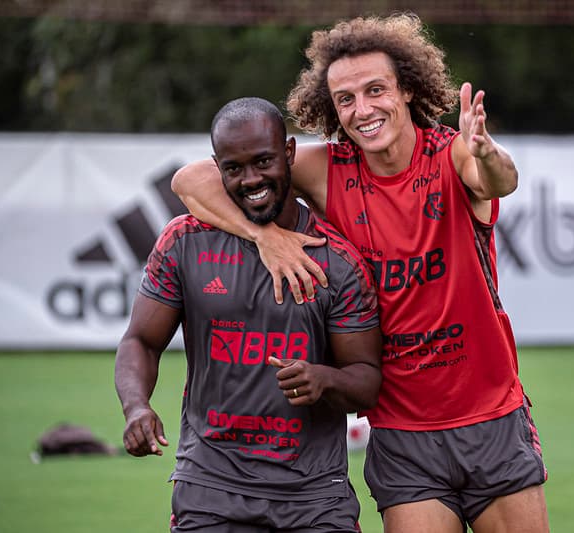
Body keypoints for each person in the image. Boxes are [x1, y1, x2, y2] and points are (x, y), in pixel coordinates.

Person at [171, 14, 549, 533]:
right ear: (331, 108)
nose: (362, 109)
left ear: (409, 89)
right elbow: (190, 179)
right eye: (345, 99)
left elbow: (497, 180)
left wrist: (487, 150)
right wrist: (265, 236)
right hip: (401, 434)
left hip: (492, 418)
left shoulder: (454, 154)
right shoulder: (328, 170)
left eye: (376, 90)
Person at [115, 97, 382, 533]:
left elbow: (367, 380)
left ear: (290, 154)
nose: (251, 179)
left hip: (314, 498)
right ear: (217, 167)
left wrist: (325, 380)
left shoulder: (336, 261)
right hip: (210, 489)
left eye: (263, 162)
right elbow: (140, 341)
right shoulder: (185, 242)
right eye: (234, 168)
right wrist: (135, 407)